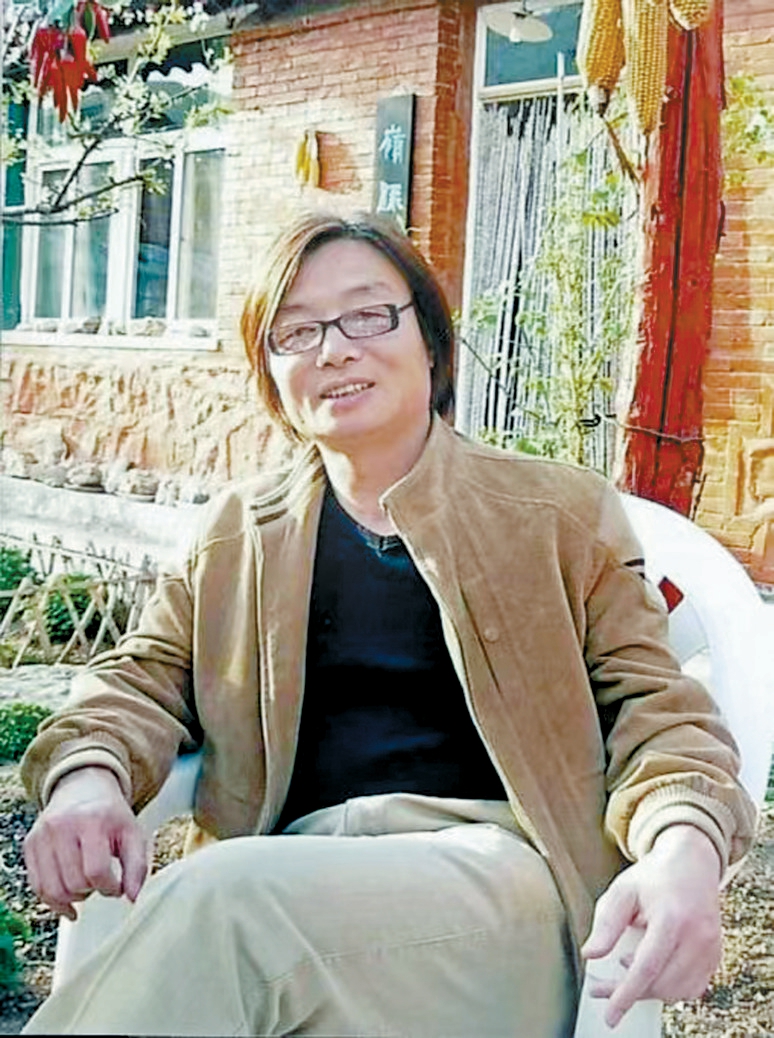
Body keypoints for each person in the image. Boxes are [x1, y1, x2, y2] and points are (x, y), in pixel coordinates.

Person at [21, 213, 756, 1037]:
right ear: (271, 376)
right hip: (294, 884)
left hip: (497, 889)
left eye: (369, 315)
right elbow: (138, 680)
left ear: (431, 343)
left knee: (220, 906)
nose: (335, 349)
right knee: (229, 918)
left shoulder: (557, 514)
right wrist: (88, 776)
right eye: (296, 331)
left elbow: (659, 710)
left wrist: (684, 843)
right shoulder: (238, 535)